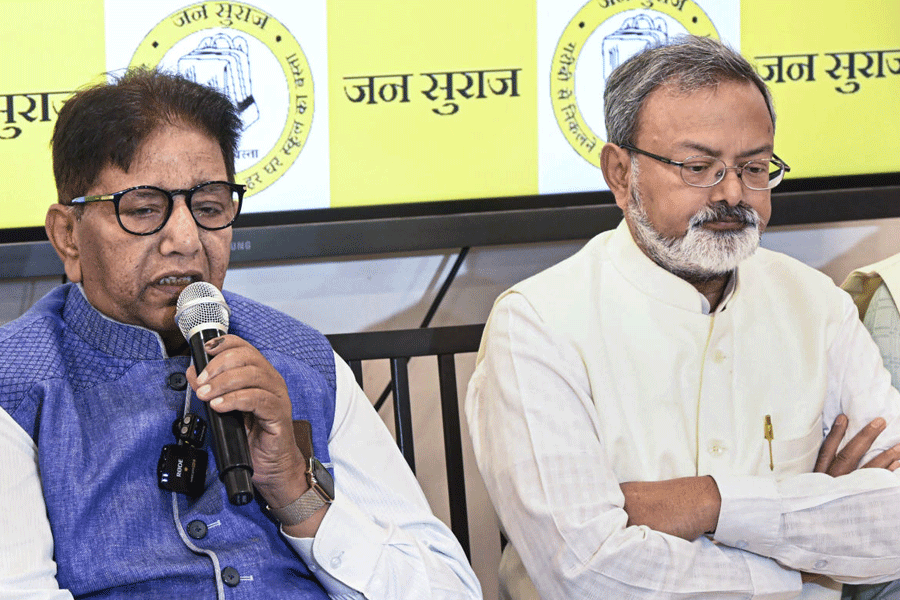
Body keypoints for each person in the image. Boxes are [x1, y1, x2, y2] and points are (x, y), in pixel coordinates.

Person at [0, 68, 481, 599]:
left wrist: (296, 490)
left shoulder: (300, 359)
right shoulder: (17, 382)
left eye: (209, 208)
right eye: (143, 210)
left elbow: (449, 591)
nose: (185, 239)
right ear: (67, 235)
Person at [465, 35, 900, 600]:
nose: (733, 194)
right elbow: (588, 575)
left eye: (756, 167)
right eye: (699, 167)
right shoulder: (537, 325)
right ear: (620, 173)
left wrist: (709, 503)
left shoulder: (816, 305)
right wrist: (806, 564)